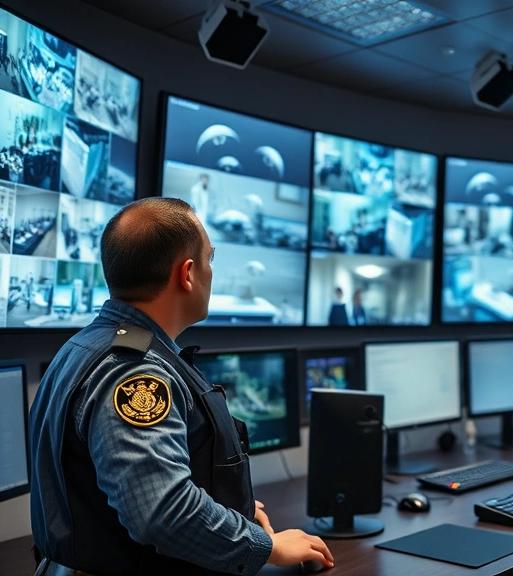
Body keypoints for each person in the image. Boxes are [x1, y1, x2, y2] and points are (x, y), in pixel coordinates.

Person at [29, 198, 334, 575]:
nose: (211, 271)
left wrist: (231, 508)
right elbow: (160, 511)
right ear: (188, 273)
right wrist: (267, 546)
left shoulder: (88, 345)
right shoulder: (134, 371)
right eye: (210, 259)